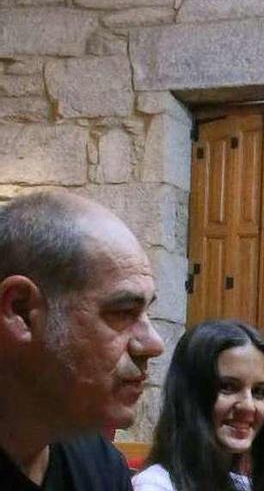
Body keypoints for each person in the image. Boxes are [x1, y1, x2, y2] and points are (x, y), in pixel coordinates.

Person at [0, 191, 165, 490]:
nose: (153, 344)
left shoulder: (102, 467)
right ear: (21, 311)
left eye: (146, 312)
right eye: (123, 312)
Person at [133, 319, 264, 491]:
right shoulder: (155, 485)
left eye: (259, 392)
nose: (249, 406)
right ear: (190, 395)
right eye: (228, 387)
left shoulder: (245, 486)